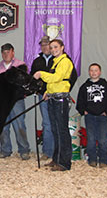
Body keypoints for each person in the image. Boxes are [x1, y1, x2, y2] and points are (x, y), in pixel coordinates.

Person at [33, 39, 73, 171]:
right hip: (53, 97)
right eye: (51, 47)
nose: (53, 49)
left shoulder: (65, 61)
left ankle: (64, 162)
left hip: (60, 99)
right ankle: (56, 158)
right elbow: (53, 82)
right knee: (55, 129)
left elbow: (57, 77)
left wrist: (41, 74)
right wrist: (47, 92)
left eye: (56, 47)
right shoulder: (55, 62)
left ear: (62, 47)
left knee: (62, 130)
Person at [0, 43, 30, 161]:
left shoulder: (20, 66)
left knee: (19, 125)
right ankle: (5, 150)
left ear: (13, 52)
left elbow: (24, 82)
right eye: (3, 52)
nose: (6, 54)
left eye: (8, 51)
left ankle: (24, 150)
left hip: (16, 100)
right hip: (2, 101)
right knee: (3, 126)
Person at [76, 63, 107, 168]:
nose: (94, 72)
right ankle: (92, 159)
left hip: (102, 116)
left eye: (96, 70)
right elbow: (80, 101)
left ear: (100, 72)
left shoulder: (106, 86)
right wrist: (83, 110)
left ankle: (103, 160)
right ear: (89, 72)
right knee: (91, 139)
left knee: (103, 139)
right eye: (91, 70)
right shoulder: (84, 87)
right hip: (89, 116)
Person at [30, 36, 54, 160]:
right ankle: (48, 151)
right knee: (47, 123)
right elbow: (32, 78)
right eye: (43, 45)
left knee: (56, 123)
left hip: (55, 95)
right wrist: (36, 90)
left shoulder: (58, 60)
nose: (45, 47)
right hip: (43, 96)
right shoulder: (37, 61)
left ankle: (57, 151)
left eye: (47, 45)